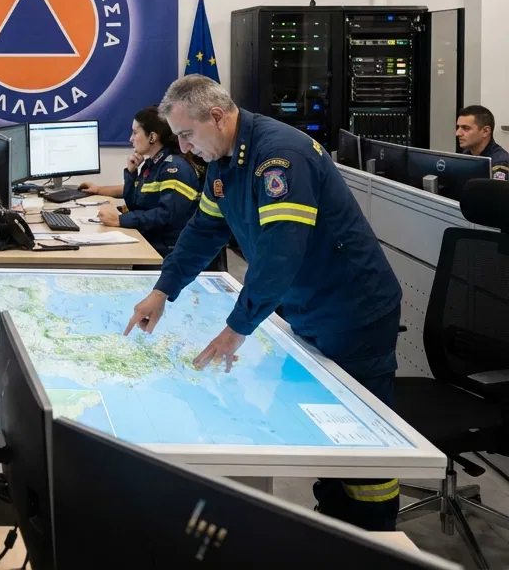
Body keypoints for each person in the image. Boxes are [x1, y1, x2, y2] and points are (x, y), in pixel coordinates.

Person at [124, 76, 403, 532]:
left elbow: (280, 254)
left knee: (362, 443)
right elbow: (202, 232)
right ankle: (335, 525)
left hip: (353, 309)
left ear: (216, 116)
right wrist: (162, 290)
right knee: (324, 424)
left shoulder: (279, 158)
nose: (186, 147)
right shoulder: (223, 159)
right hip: (307, 306)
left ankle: (378, 538)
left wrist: (237, 328)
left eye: (188, 134)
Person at [80, 106, 202, 256]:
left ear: (152, 137)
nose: (131, 138)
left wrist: (121, 220)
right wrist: (131, 173)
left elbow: (166, 215)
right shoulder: (153, 164)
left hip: (168, 249)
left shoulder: (174, 168)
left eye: (135, 132)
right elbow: (135, 203)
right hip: (151, 239)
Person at [456, 105, 509, 181]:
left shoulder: (499, 162)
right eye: (458, 127)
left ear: (485, 131)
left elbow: (494, 192)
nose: (458, 133)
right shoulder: (466, 154)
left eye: (466, 128)